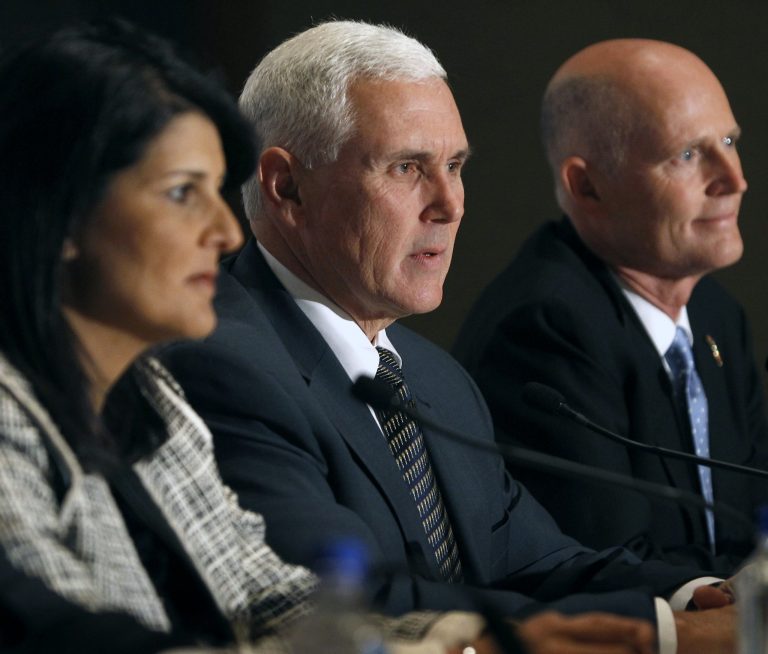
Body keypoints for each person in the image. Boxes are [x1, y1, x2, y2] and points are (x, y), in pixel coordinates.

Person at [163, 22, 736, 654]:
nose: (449, 204)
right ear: (287, 187)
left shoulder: (434, 379)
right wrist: (668, 636)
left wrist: (706, 594)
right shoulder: (219, 362)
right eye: (407, 167)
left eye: (456, 166)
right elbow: (349, 606)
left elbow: (537, 563)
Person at [0, 20, 506, 654]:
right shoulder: (9, 414)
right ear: (61, 214)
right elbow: (58, 639)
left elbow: (270, 602)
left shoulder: (150, 398)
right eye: (183, 193)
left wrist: (483, 642)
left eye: (216, 192)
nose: (226, 231)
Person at [453, 38, 768, 574]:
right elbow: (608, 564)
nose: (735, 180)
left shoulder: (715, 315)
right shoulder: (543, 329)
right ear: (588, 185)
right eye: (688, 155)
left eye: (730, 142)